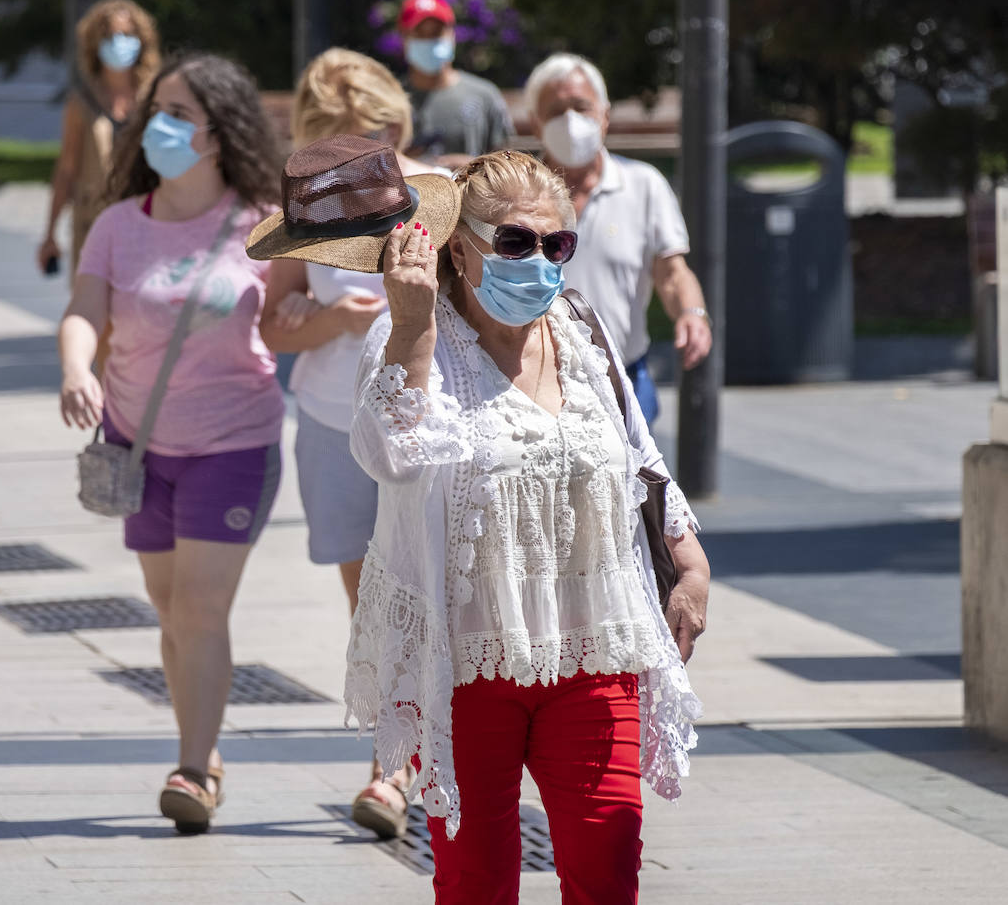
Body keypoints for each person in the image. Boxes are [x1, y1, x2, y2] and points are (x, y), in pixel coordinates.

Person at [256, 145, 709, 902]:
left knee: (607, 862)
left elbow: (639, 457)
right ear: (458, 248)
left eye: (555, 244)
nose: (537, 259)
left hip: (592, 643)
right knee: (476, 879)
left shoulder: (582, 331)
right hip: (466, 658)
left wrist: (688, 560)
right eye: (514, 241)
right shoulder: (413, 336)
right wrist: (409, 327)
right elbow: (389, 454)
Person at [58, 52, 285, 834]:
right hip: (137, 441)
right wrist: (75, 368)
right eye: (157, 109)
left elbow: (297, 313)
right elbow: (84, 308)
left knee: (199, 604)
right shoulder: (120, 225)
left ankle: (193, 766)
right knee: (170, 608)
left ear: (219, 133)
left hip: (235, 441)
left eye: (179, 112)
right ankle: (205, 745)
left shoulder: (263, 218)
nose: (159, 123)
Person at [257, 48, 445, 840]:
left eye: (360, 141)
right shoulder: (306, 213)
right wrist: (339, 319)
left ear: (394, 128)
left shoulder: (436, 196)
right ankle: (399, 753)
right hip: (334, 425)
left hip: (422, 427)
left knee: (428, 600)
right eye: (327, 145)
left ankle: (396, 766)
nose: (345, 162)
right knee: (371, 607)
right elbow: (273, 323)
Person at [524, 52, 712, 425]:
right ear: (536, 123)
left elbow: (672, 272)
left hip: (623, 380)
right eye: (556, 110)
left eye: (581, 107)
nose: (571, 121)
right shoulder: (517, 195)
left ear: (605, 116)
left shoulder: (643, 186)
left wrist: (692, 314)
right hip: (532, 384)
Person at [38, 0, 161, 285]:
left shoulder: (156, 96)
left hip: (147, 217)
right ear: (95, 43)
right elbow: (67, 168)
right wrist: (50, 233)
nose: (120, 42)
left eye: (127, 35)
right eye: (110, 35)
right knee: (93, 307)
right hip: (94, 218)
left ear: (141, 39)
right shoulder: (82, 101)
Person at [397, 0, 511, 167]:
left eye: (436, 32)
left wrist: (471, 167)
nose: (429, 40)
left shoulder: (484, 95)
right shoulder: (390, 100)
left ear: (452, 35)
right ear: (404, 39)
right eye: (420, 33)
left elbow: (508, 163)